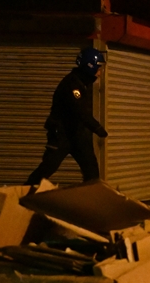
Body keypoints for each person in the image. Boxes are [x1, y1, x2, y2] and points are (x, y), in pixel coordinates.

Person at [26, 47, 108, 185]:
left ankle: (91, 201)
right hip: (62, 135)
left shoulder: (82, 83)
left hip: (77, 134)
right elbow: (80, 111)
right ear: (90, 66)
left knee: (92, 172)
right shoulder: (72, 85)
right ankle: (23, 196)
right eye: (98, 68)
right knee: (48, 167)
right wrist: (98, 128)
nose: (99, 73)